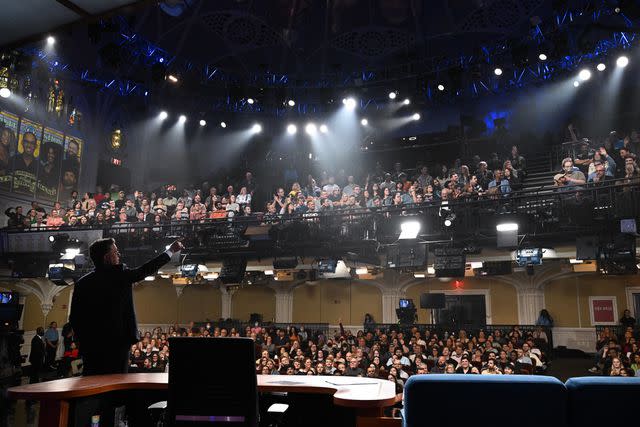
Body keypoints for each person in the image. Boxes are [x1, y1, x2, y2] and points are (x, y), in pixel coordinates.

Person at [70, 237, 184, 375]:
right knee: (116, 386)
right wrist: (170, 251)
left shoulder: (82, 283)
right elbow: (145, 270)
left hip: (91, 347)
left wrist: (85, 341)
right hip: (117, 346)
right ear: (107, 257)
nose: (119, 255)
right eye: (116, 252)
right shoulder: (119, 275)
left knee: (91, 385)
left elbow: (75, 318)